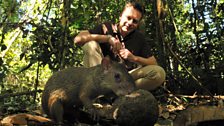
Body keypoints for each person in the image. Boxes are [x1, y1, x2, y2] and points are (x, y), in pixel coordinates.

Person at [74, 1, 166, 91]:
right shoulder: (106, 27)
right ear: (121, 16)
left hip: (126, 77)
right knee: (90, 45)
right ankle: (100, 92)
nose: (130, 23)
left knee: (158, 73)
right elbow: (78, 39)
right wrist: (108, 38)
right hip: (103, 76)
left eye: (134, 21)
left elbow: (153, 62)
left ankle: (121, 93)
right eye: (128, 18)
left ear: (138, 24)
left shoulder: (139, 38)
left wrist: (133, 58)